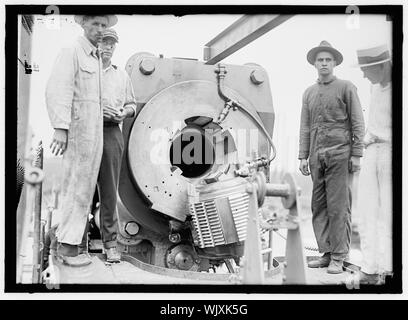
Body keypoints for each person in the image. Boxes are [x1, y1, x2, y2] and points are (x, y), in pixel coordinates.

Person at [45, 15, 117, 267]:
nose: (100, 30)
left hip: (94, 132)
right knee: (75, 186)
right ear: (82, 24)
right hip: (77, 132)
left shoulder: (95, 57)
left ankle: (69, 243)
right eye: (95, 24)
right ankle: (67, 248)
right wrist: (60, 128)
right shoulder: (72, 51)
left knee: (85, 189)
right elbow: (58, 89)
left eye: (103, 26)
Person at [298, 40, 365, 274]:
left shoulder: (346, 87)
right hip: (317, 156)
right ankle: (326, 253)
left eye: (328, 60)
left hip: (340, 154)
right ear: (314, 64)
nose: (324, 63)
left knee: (339, 207)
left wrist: (357, 154)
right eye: (320, 60)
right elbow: (305, 127)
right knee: (318, 206)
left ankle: (339, 255)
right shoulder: (309, 93)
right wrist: (302, 156)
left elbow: (358, 122)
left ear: (334, 62)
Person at [96, 28, 137, 262]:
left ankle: (110, 244)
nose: (108, 47)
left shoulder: (121, 76)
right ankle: (77, 244)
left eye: (112, 43)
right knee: (81, 190)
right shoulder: (86, 73)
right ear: (96, 44)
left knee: (110, 192)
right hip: (87, 131)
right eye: (104, 42)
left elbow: (132, 104)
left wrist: (124, 112)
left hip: (112, 133)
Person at [354, 44, 392, 284]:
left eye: (367, 70)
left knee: (389, 212)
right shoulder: (374, 87)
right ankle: (369, 268)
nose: (364, 75)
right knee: (366, 210)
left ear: (380, 66)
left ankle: (389, 268)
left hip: (391, 151)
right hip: (372, 151)